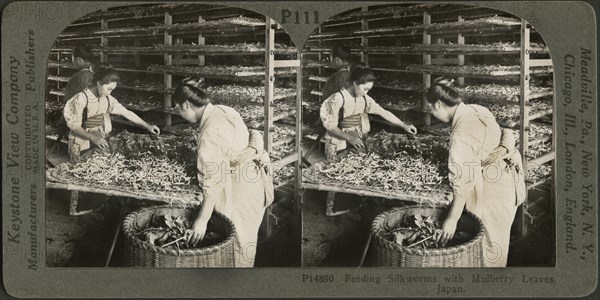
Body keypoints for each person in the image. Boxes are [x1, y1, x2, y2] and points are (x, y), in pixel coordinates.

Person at [174, 78, 274, 267]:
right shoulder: (224, 110)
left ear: (186, 104)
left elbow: (213, 184)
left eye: (178, 109)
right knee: (246, 241)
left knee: (237, 244)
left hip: (241, 190)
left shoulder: (210, 135)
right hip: (255, 180)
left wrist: (201, 221)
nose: (180, 114)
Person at [427, 77, 526, 267]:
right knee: (497, 242)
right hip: (509, 180)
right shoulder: (478, 109)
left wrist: (452, 219)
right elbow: (504, 132)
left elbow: (463, 184)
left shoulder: (460, 136)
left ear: (438, 104)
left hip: (494, 190)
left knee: (488, 249)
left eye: (430, 108)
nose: (432, 113)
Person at [320, 63, 417, 160]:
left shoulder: (364, 99)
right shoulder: (337, 99)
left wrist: (404, 125)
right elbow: (330, 126)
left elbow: (383, 112)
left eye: (368, 89)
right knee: (335, 169)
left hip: (356, 140)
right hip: (337, 143)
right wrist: (349, 137)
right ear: (355, 83)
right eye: (365, 89)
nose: (365, 93)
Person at [63, 65, 160, 162]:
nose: (110, 93)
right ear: (99, 83)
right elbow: (74, 126)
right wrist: (93, 137)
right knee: (78, 170)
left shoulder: (107, 99)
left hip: (98, 139)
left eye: (112, 90)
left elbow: (126, 112)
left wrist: (147, 126)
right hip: (80, 143)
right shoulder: (80, 99)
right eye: (108, 89)